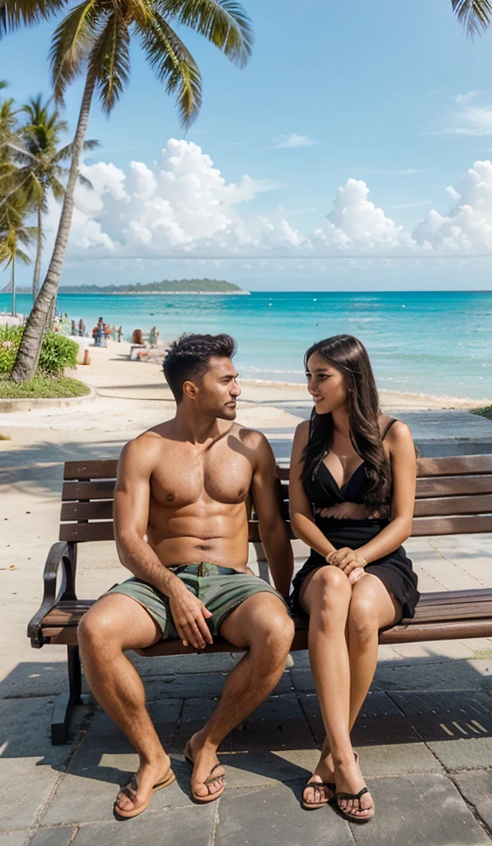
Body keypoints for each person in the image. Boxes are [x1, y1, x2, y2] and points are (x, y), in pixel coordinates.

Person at [78, 333, 294, 820]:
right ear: (192, 389)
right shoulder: (145, 449)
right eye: (228, 379)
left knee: (277, 630)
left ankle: (207, 742)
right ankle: (153, 758)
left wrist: (286, 596)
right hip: (160, 580)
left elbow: (275, 530)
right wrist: (173, 589)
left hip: (233, 582)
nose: (238, 387)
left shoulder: (251, 445)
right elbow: (129, 541)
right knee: (95, 629)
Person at [289, 334, 419, 823]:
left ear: (353, 378)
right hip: (325, 561)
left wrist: (360, 555)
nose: (311, 387)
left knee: (362, 610)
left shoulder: (394, 435)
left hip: (381, 560)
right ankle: (346, 758)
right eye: (308, 375)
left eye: (321, 376)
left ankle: (329, 752)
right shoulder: (307, 433)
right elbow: (298, 515)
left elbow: (402, 520)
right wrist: (333, 554)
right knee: (333, 587)